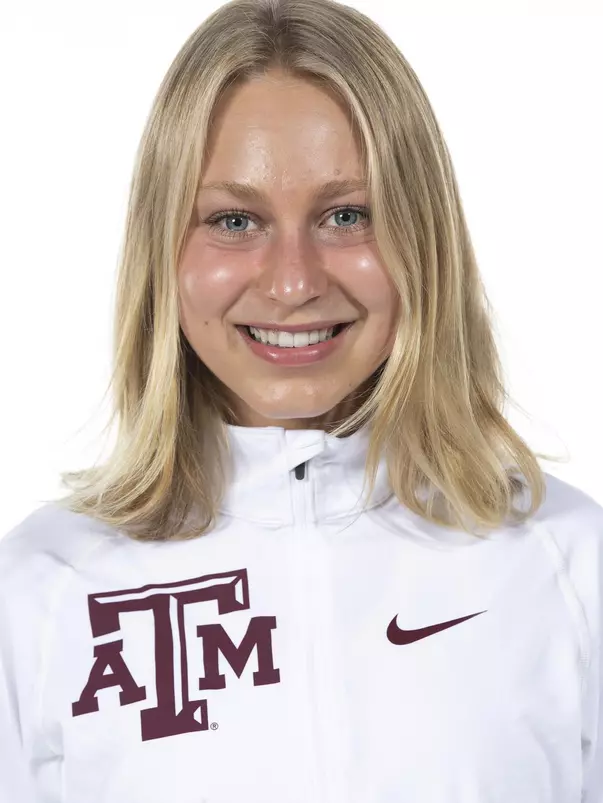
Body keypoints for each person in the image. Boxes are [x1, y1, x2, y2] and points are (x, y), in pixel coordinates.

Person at [0, 0, 601, 800]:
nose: (293, 282)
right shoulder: (43, 588)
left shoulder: (569, 564)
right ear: (162, 249)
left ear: (422, 236)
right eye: (234, 219)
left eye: (346, 215)